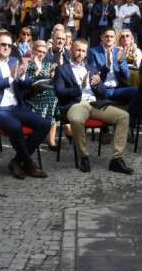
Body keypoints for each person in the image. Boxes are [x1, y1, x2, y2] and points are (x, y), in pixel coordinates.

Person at [0, 29, 50, 180]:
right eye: (3, 44)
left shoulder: (14, 60)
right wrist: (11, 78)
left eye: (9, 45)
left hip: (16, 106)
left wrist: (23, 77)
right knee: (15, 126)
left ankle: (16, 161)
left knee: (45, 124)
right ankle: (29, 164)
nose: (7, 48)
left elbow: (24, 83)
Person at [54, 38, 131, 174]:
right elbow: (59, 92)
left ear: (86, 53)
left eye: (83, 51)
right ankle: (84, 156)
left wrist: (98, 84)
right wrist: (79, 88)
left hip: (95, 103)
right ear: (71, 49)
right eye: (78, 50)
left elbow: (103, 93)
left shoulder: (91, 68)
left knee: (123, 116)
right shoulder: (62, 69)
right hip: (76, 104)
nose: (80, 53)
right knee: (77, 120)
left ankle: (117, 159)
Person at [87, 29, 137, 108]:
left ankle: (131, 117)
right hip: (103, 89)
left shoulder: (119, 51)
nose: (109, 39)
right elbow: (92, 75)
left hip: (118, 89)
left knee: (138, 91)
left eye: (111, 37)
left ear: (115, 39)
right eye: (106, 36)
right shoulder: (93, 52)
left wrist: (121, 63)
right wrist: (107, 66)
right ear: (101, 37)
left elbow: (127, 76)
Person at [25, 38, 60, 148]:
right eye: (39, 51)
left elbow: (52, 80)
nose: (41, 54)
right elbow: (27, 82)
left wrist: (53, 73)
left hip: (48, 92)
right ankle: (40, 135)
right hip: (33, 93)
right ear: (33, 51)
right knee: (52, 98)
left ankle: (51, 140)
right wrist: (37, 70)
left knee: (53, 97)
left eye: (44, 52)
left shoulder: (48, 64)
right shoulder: (27, 64)